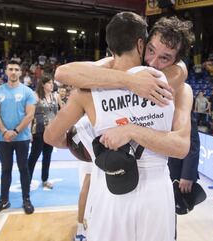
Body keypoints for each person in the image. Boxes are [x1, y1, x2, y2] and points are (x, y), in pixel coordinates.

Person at [44, 12, 192, 241]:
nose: (153, 62)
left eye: (165, 58)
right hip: (151, 190)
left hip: (114, 185)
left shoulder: (89, 89)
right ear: (141, 44)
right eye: (151, 51)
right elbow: (63, 72)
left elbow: (52, 136)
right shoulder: (176, 87)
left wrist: (118, 137)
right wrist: (130, 81)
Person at [0, 60, 36, 215]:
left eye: (17, 69)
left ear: (21, 72)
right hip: (3, 139)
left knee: (24, 169)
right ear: (6, 71)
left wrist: (15, 131)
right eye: (11, 69)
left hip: (21, 138)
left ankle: (26, 199)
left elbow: (30, 115)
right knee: (6, 169)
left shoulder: (27, 92)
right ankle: (4, 200)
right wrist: (4, 131)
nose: (14, 72)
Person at [28, 75, 61, 189]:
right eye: (49, 83)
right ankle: (27, 180)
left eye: (52, 83)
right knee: (34, 156)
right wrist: (28, 132)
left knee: (47, 156)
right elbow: (30, 115)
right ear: (43, 84)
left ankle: (45, 179)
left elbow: (58, 114)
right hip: (38, 131)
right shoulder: (35, 96)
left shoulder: (55, 96)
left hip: (51, 132)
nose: (52, 85)